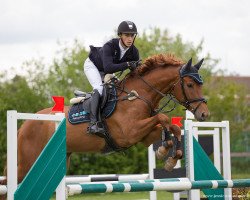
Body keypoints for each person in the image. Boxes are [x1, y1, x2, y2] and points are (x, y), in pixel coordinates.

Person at [83, 20, 141, 134]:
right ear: (120, 35)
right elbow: (109, 68)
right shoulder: (110, 46)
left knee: (118, 89)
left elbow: (136, 73)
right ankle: (93, 124)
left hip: (106, 69)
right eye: (126, 35)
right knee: (99, 89)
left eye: (132, 35)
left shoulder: (134, 52)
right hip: (93, 65)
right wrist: (128, 64)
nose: (130, 38)